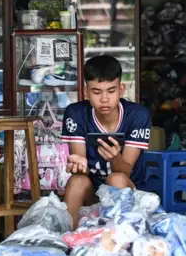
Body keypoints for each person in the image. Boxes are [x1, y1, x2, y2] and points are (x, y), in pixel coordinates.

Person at [61, 55, 152, 228]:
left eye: (111, 91)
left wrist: (115, 158)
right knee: (76, 181)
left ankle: (121, 238)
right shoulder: (76, 113)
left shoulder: (137, 115)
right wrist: (78, 165)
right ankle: (68, 240)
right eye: (96, 92)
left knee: (115, 178)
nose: (104, 99)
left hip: (128, 189)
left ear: (121, 90)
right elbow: (82, 171)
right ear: (86, 92)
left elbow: (125, 172)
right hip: (92, 193)